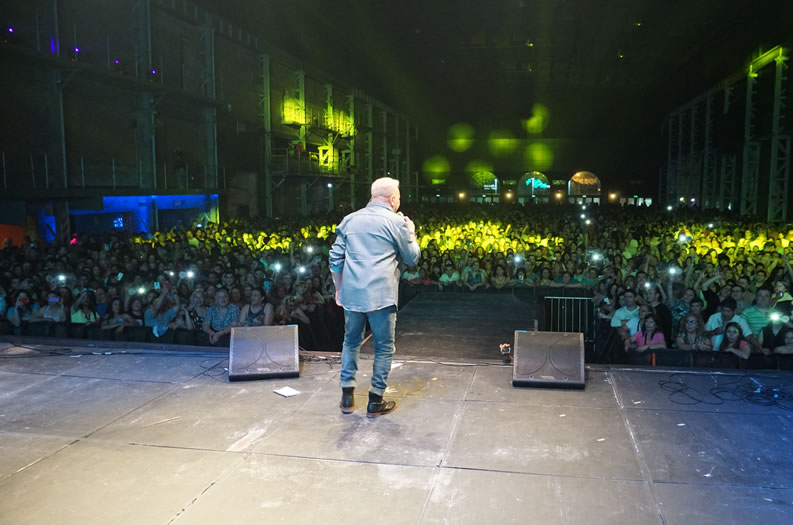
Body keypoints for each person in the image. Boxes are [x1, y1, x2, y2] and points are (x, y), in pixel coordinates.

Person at [329, 177, 420, 417]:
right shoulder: (396, 222)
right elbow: (412, 258)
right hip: (382, 295)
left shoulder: (350, 220)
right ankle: (375, 401)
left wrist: (339, 288)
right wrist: (411, 232)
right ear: (393, 199)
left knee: (351, 342)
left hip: (352, 294)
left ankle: (347, 398)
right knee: (383, 347)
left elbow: (335, 259)